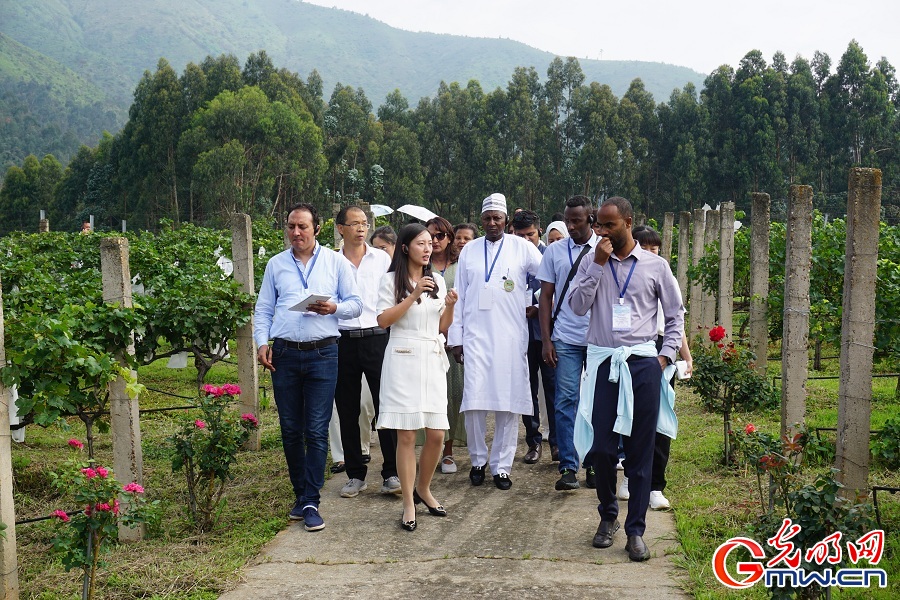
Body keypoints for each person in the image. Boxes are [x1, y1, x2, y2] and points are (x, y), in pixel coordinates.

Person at [569, 197, 684, 561]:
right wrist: (598, 266)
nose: (601, 231)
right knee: (602, 449)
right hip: (605, 363)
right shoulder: (592, 260)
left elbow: (674, 314)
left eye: (609, 225)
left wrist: (665, 357)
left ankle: (636, 530)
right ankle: (607, 516)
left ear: (628, 222)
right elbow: (576, 307)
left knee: (640, 450)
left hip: (642, 363)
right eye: (598, 225)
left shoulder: (655, 265)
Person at [255, 202, 363, 531]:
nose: (296, 232)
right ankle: (300, 493)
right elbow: (263, 310)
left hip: (323, 353)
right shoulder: (276, 265)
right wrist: (262, 342)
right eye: (291, 226)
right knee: (290, 429)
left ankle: (311, 499)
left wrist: (333, 308)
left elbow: (356, 305)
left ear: (317, 229)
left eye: (302, 226)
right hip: (285, 354)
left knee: (316, 430)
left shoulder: (336, 263)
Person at [448, 193, 542, 490]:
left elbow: (548, 278)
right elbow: (459, 296)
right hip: (475, 337)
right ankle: (477, 461)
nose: (492, 223)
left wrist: (537, 301)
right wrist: (456, 338)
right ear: (482, 219)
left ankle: (502, 467)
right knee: (474, 402)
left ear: (506, 221)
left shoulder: (523, 248)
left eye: (497, 218)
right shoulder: (470, 251)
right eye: (487, 218)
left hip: (511, 338)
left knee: (507, 404)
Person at [376, 223, 458, 531]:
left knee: (437, 433)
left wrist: (448, 306)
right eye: (421, 243)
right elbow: (383, 320)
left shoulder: (435, 279)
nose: (428, 247)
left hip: (432, 356)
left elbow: (440, 326)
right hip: (402, 357)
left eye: (431, 242)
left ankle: (424, 488)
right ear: (405, 247)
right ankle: (408, 501)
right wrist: (412, 296)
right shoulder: (390, 281)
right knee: (407, 434)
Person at [615, 226, 693, 510]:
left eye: (654, 249)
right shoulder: (620, 274)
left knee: (660, 419)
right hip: (633, 348)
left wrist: (683, 356)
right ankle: (630, 477)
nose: (649, 253)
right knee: (629, 415)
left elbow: (676, 320)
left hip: (662, 349)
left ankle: (655, 485)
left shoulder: (663, 274)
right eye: (644, 247)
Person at [332, 206, 399, 499]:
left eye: (365, 223)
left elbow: (392, 295)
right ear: (340, 229)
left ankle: (392, 472)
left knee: (386, 405)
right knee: (347, 408)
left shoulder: (381, 258)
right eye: (355, 224)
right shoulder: (330, 261)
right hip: (342, 339)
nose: (361, 228)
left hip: (376, 337)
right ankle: (355, 474)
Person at [537, 196, 598, 490]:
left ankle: (596, 462)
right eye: (568, 220)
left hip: (600, 338)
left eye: (577, 220)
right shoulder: (554, 252)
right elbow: (545, 297)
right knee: (565, 401)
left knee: (599, 403)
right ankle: (568, 467)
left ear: (591, 219)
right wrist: (547, 339)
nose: (571, 226)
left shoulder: (604, 248)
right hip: (565, 338)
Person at [510, 210, 557, 466]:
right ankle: (533, 441)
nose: (525, 240)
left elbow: (559, 290)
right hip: (519, 331)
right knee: (527, 389)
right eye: (520, 235)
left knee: (552, 387)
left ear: (539, 231)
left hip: (546, 333)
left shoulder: (551, 254)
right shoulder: (507, 255)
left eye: (530, 234)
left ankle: (558, 443)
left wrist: (540, 308)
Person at [424, 216, 466, 473]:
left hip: (455, 342)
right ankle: (429, 450)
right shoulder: (419, 265)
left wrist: (458, 335)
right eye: (430, 236)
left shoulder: (461, 266)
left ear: (449, 237)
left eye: (440, 236)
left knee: (453, 395)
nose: (435, 241)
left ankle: (448, 452)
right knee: (428, 397)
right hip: (427, 340)